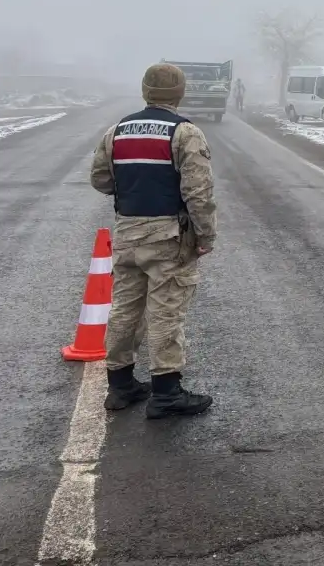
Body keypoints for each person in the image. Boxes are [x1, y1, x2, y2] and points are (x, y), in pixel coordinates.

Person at [89, 63, 216, 418]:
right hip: (168, 236)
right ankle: (166, 392)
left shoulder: (117, 131)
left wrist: (133, 189)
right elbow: (198, 191)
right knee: (166, 313)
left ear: (145, 91)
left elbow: (100, 179)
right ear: (180, 93)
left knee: (125, 308)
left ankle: (120, 386)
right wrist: (205, 234)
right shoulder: (185, 133)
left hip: (127, 232)